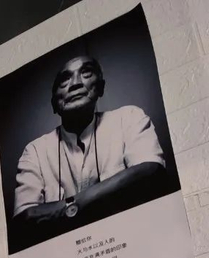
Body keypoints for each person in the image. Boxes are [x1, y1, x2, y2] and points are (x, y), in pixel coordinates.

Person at [13, 55, 167, 237]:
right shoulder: (35, 151)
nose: (75, 83)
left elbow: (151, 171)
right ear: (54, 104)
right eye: (64, 80)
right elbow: (24, 219)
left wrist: (71, 206)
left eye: (86, 73)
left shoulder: (129, 117)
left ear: (100, 88)